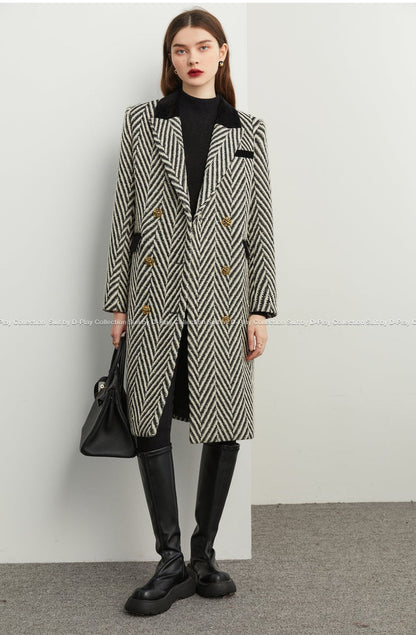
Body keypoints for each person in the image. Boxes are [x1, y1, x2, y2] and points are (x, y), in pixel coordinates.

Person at [102, 8, 277, 617]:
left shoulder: (249, 131)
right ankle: (170, 561)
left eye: (203, 47)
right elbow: (124, 213)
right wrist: (118, 302)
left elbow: (260, 227)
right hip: (153, 292)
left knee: (222, 424)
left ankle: (204, 555)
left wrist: (260, 309)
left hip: (224, 300)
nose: (192, 58)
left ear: (223, 52)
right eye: (180, 49)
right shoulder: (143, 122)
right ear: (170, 59)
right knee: (148, 417)